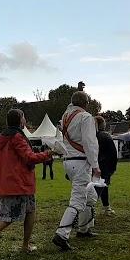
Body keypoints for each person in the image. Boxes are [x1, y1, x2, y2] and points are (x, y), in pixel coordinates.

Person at [0, 109, 52, 257]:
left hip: (6, 181)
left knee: (18, 212)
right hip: (20, 182)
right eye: (24, 117)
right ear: (21, 120)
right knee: (21, 213)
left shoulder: (1, 136)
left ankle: (21, 243)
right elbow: (29, 158)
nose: (25, 120)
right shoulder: (18, 137)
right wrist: (48, 154)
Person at [52, 90, 100, 251]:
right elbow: (89, 142)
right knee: (78, 199)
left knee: (90, 196)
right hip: (81, 162)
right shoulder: (86, 117)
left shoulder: (65, 117)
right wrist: (95, 165)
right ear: (86, 103)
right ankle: (62, 234)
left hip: (69, 161)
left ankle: (84, 229)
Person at [95, 115, 117, 215]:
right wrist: (112, 168)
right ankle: (105, 208)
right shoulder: (106, 136)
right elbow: (113, 153)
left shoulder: (90, 136)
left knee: (94, 187)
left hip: (92, 165)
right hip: (104, 165)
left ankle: (104, 207)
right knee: (102, 186)